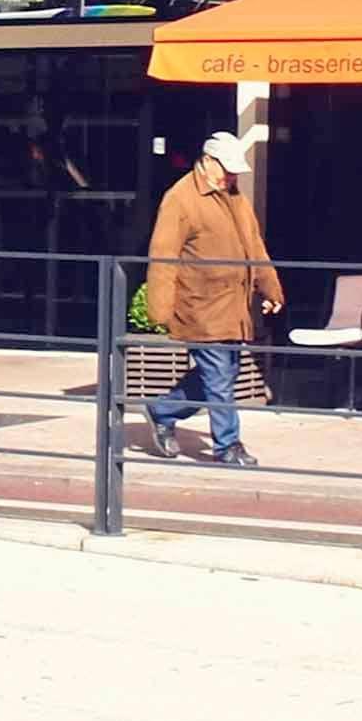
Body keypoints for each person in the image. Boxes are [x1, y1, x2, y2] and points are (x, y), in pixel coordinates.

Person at [143, 131, 284, 468]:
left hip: (232, 307)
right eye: (227, 168)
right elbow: (163, 254)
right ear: (207, 161)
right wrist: (160, 309)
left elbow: (255, 247)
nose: (232, 175)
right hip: (200, 305)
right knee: (219, 376)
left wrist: (270, 287)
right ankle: (228, 446)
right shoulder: (179, 198)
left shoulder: (235, 197)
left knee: (221, 376)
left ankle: (161, 409)